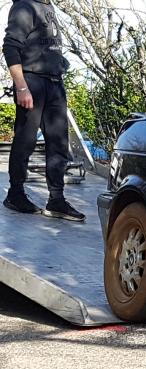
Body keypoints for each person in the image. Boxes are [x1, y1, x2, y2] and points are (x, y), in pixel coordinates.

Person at [2, 0, 84, 222]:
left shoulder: (49, 7)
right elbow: (10, 46)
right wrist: (21, 86)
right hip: (31, 82)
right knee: (25, 141)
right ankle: (15, 194)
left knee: (58, 141)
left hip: (55, 83)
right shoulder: (24, 6)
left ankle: (56, 199)